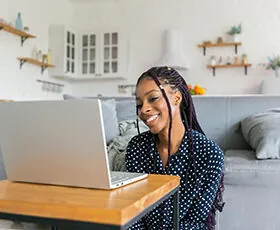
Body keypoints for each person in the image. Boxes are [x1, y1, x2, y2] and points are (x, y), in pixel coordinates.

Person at [125, 66, 225, 230]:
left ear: (177, 98)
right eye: (139, 104)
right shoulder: (137, 148)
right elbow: (133, 215)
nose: (143, 110)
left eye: (153, 98)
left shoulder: (210, 154)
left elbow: (196, 222)